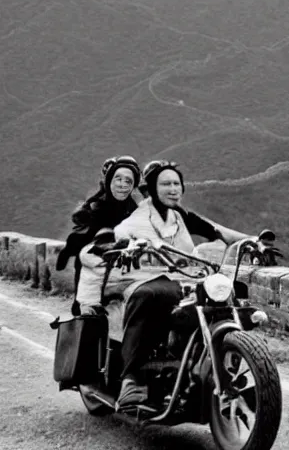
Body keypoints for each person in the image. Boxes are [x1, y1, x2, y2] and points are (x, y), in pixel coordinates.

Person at [76, 160, 254, 410]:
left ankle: (219, 357)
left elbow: (214, 230)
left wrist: (254, 241)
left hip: (178, 275)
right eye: (164, 184)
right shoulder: (133, 218)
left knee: (222, 291)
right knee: (150, 294)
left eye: (176, 184)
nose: (172, 189)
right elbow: (109, 240)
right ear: (150, 189)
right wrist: (123, 246)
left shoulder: (178, 215)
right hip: (135, 277)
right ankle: (131, 379)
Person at [56, 156, 142, 314]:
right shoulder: (97, 206)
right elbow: (80, 237)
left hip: (120, 265)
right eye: (118, 179)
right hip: (92, 266)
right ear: (109, 180)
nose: (123, 185)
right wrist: (68, 252)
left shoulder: (133, 208)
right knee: (86, 311)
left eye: (128, 181)